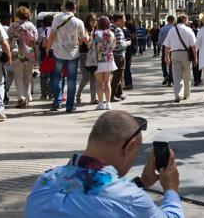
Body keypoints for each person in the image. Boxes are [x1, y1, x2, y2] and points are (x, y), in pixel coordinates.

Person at [25, 110, 183, 218]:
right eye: (136, 153)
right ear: (130, 147)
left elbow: (89, 190)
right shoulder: (131, 199)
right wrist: (171, 189)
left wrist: (141, 182)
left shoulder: (45, 181)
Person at [46, 0, 88, 113]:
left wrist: (48, 48)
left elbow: (52, 35)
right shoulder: (79, 22)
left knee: (57, 77)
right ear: (75, 9)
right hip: (73, 54)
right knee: (71, 79)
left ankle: (57, 102)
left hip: (58, 52)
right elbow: (83, 39)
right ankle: (69, 106)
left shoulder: (57, 18)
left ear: (64, 8)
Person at [7, 7, 38, 108]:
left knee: (18, 77)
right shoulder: (32, 26)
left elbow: (7, 39)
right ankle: (27, 96)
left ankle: (21, 98)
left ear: (17, 15)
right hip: (29, 54)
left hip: (17, 54)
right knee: (28, 77)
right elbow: (36, 41)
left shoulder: (13, 26)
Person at [163, 14, 196, 103]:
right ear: (184, 20)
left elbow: (167, 45)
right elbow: (193, 46)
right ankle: (186, 94)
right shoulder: (188, 30)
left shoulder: (172, 30)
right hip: (186, 54)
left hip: (174, 54)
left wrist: (166, 56)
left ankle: (177, 94)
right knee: (187, 75)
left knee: (176, 75)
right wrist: (195, 57)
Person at [93, 16, 117, 111]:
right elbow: (113, 46)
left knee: (99, 83)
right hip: (108, 59)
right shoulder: (111, 34)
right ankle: (108, 103)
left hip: (97, 60)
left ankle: (100, 103)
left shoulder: (95, 34)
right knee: (107, 82)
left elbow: (92, 46)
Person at [77, 13, 98, 105]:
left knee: (94, 77)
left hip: (94, 56)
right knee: (86, 77)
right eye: (92, 20)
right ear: (88, 21)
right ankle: (78, 93)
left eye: (95, 20)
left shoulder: (97, 31)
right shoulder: (85, 30)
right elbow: (86, 42)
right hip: (84, 55)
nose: (94, 22)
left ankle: (93, 98)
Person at [110, 13, 129, 102]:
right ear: (118, 21)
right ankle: (112, 95)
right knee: (117, 76)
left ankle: (119, 93)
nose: (125, 21)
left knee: (118, 75)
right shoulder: (118, 30)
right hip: (119, 55)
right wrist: (128, 43)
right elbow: (121, 45)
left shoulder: (109, 28)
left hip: (111, 55)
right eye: (123, 20)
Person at [0, 12, 14, 105]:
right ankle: (5, 92)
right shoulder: (8, 29)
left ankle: (4, 93)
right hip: (8, 55)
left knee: (2, 76)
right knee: (9, 74)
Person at [39, 14, 55, 100]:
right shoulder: (56, 30)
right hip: (55, 54)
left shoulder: (45, 31)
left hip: (46, 55)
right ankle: (52, 93)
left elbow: (44, 44)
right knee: (53, 74)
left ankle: (44, 94)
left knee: (44, 75)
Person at [159, 16, 175, 87]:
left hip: (165, 47)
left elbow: (160, 39)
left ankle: (166, 75)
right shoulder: (175, 29)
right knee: (171, 63)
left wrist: (159, 45)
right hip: (173, 47)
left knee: (164, 62)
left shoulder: (162, 29)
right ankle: (170, 79)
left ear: (167, 20)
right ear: (173, 20)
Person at [123, 16, 137, 90]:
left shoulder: (125, 27)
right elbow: (134, 37)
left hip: (127, 49)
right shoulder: (132, 26)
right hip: (131, 48)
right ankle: (129, 83)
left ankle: (128, 83)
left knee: (126, 67)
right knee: (128, 66)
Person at [190, 19, 202, 86]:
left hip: (192, 49)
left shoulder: (191, 32)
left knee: (194, 64)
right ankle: (199, 78)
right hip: (200, 50)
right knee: (199, 64)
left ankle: (196, 79)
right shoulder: (201, 32)